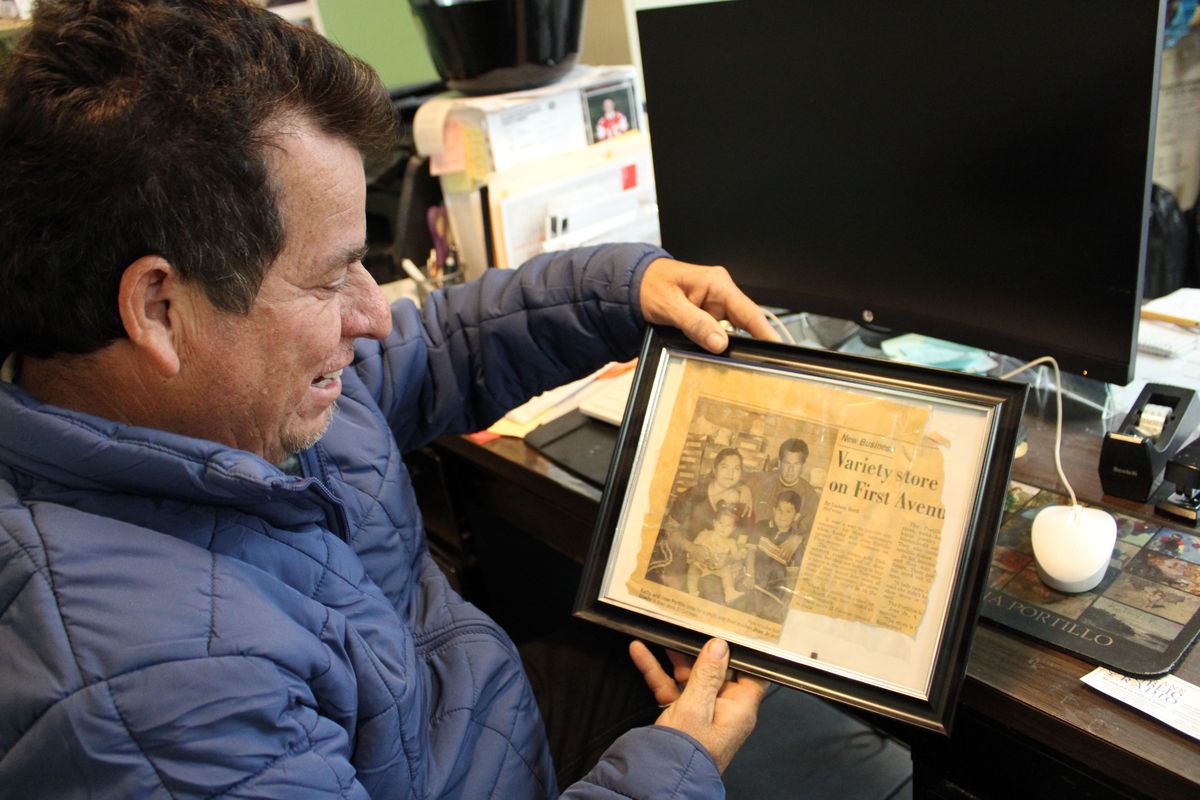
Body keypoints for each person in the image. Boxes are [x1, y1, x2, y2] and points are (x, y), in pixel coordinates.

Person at [0, 1, 777, 797]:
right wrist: (672, 770)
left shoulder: (243, 397)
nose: (372, 316)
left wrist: (624, 289)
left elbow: (437, 343)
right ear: (161, 310)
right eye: (331, 277)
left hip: (466, 722)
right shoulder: (155, 704)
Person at [650, 447, 754, 597]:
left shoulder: (744, 505)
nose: (731, 474)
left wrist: (729, 559)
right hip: (685, 559)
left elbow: (743, 543)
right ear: (714, 468)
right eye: (725, 467)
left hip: (721, 567)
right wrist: (692, 548)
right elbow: (670, 530)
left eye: (736, 469)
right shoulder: (692, 495)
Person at [748, 490, 808, 622]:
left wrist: (788, 598)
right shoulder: (761, 526)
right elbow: (750, 552)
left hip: (774, 593)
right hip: (753, 582)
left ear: (796, 516)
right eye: (779, 510)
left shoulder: (796, 545)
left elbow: (792, 577)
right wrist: (750, 574)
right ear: (774, 510)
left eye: (788, 511)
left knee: (769, 614)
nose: (782, 515)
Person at [748, 438, 821, 535]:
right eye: (787, 463)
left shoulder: (810, 496)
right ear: (779, 462)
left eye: (796, 464)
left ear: (803, 466)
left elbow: (812, 530)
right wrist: (743, 489)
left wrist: (798, 538)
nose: (790, 469)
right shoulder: (763, 479)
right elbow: (736, 477)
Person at [686, 503, 750, 604]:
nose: (723, 527)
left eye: (728, 525)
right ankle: (692, 592)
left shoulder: (731, 542)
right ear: (714, 523)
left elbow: (736, 556)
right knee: (693, 570)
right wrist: (691, 555)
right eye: (721, 523)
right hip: (701, 564)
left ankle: (729, 591)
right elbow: (694, 547)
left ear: (733, 529)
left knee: (727, 571)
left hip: (719, 568)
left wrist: (742, 552)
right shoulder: (705, 534)